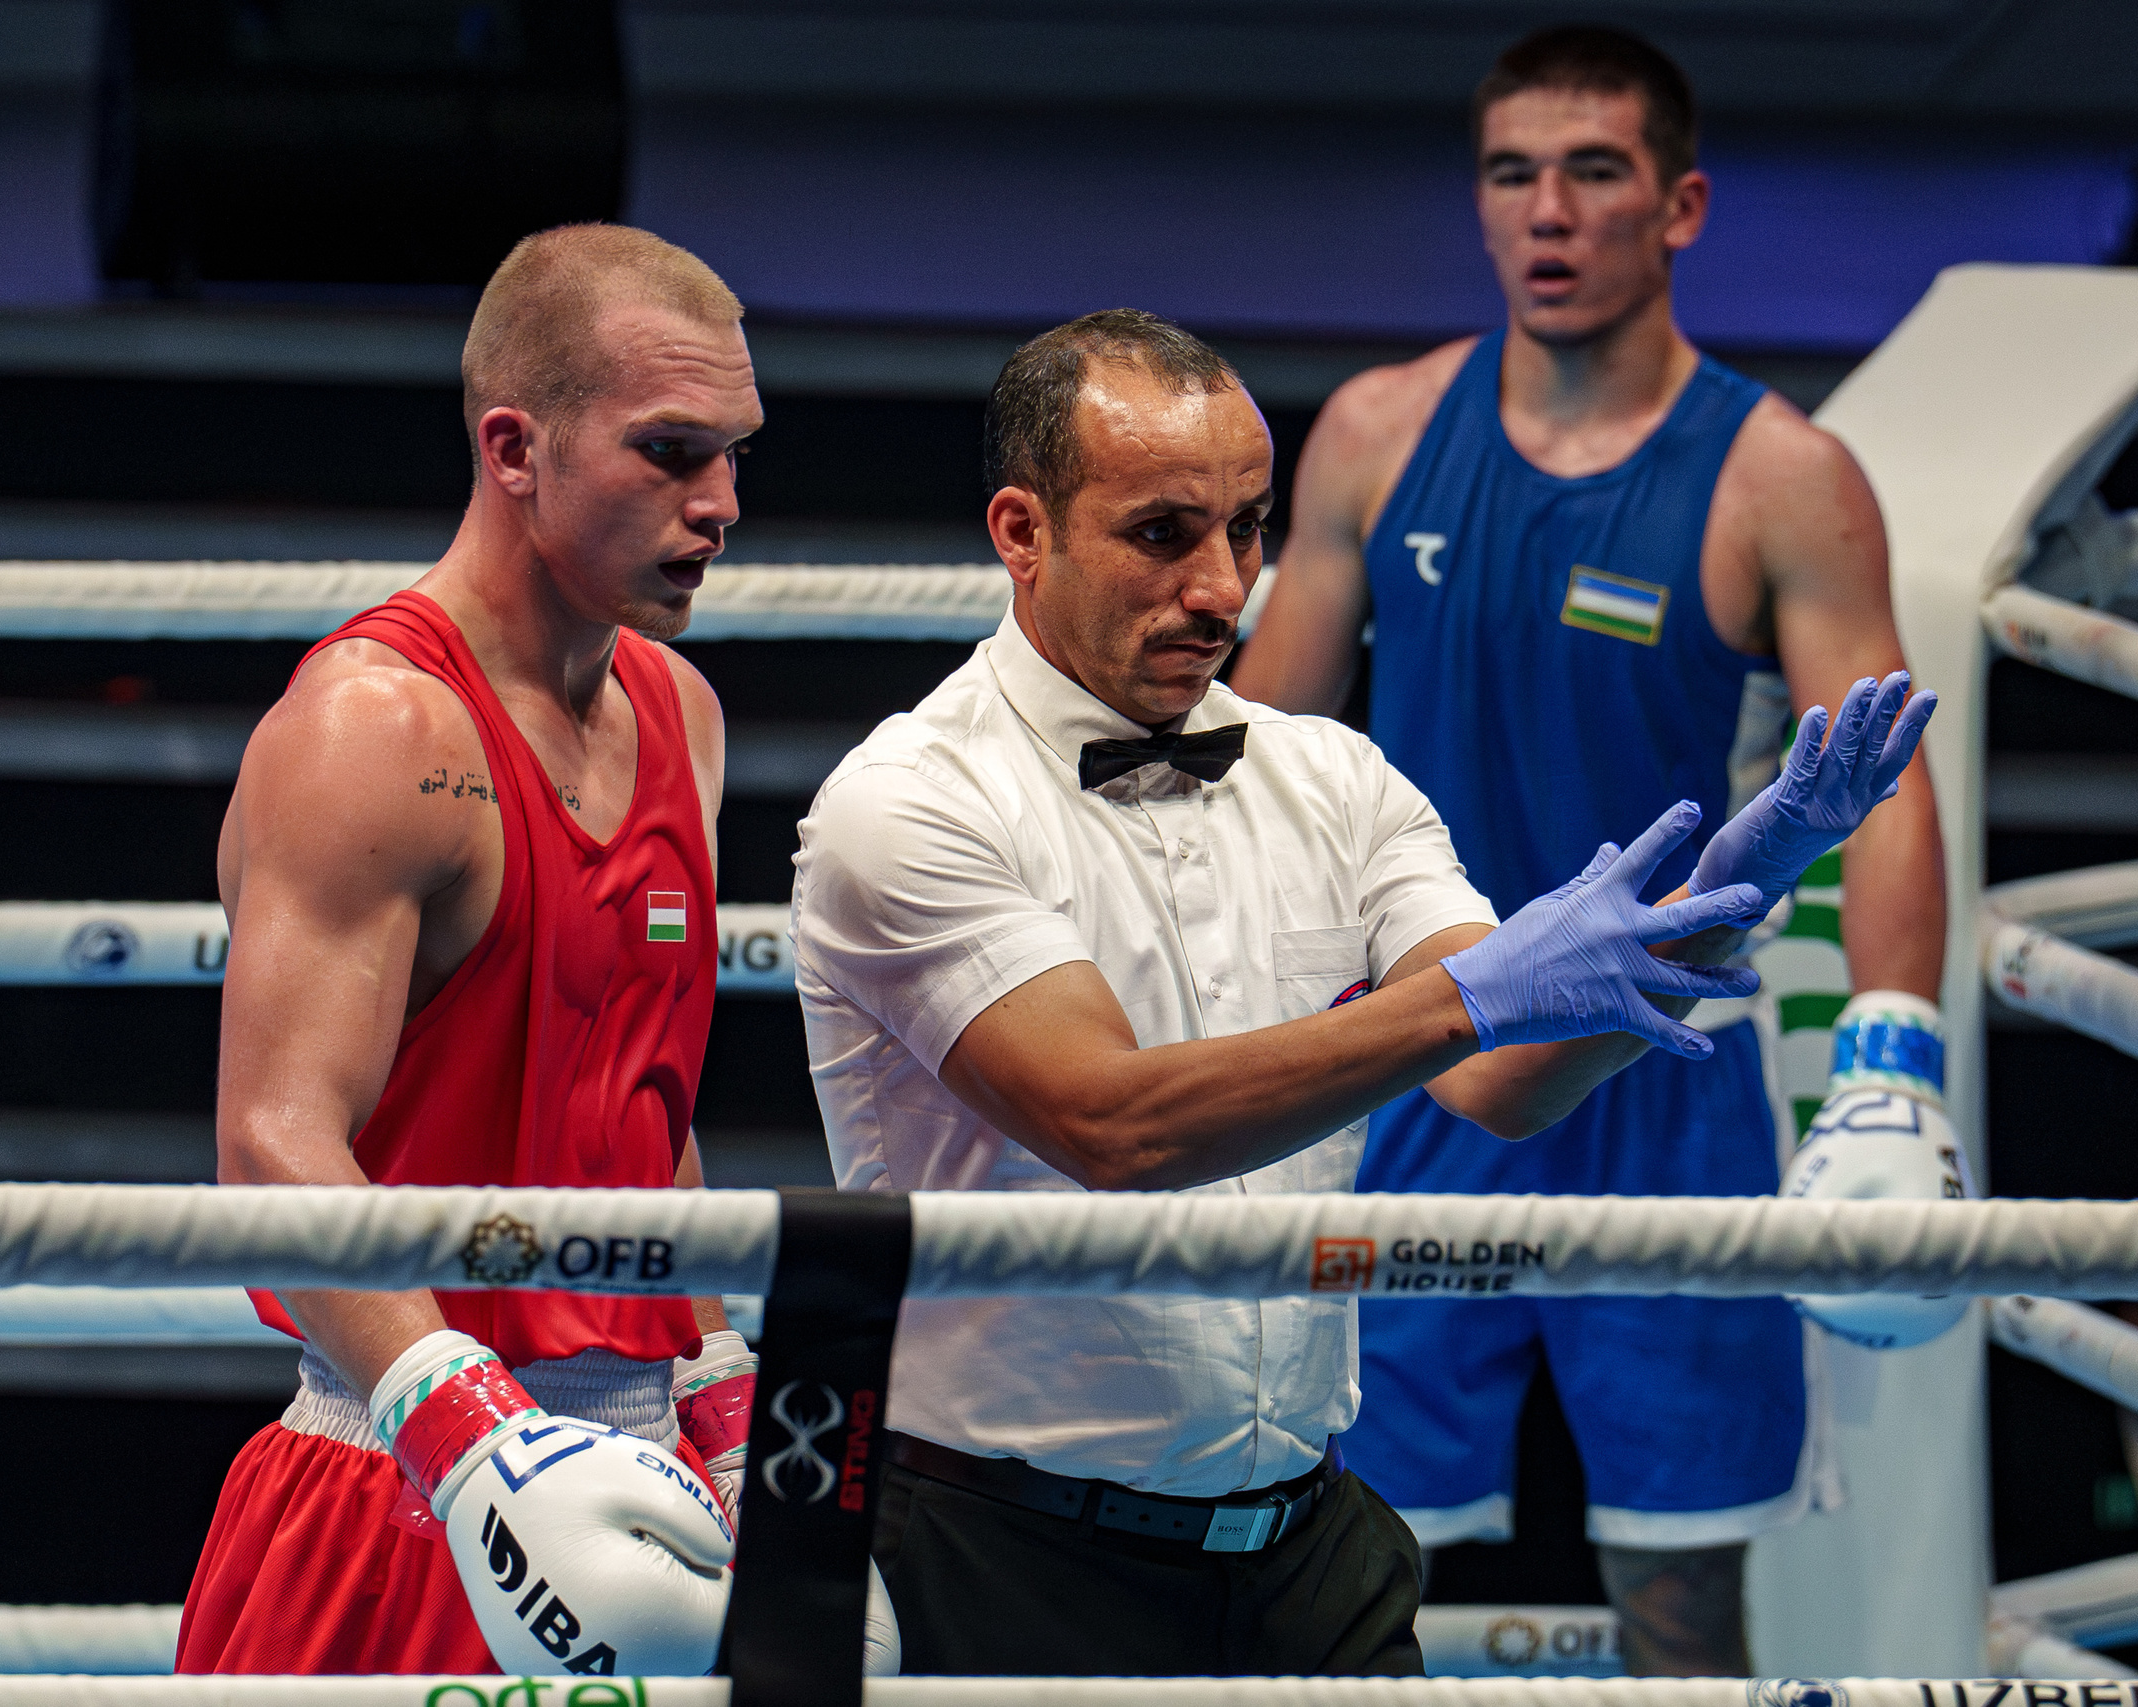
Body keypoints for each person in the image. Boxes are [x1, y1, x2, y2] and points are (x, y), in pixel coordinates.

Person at [789, 308, 1929, 1677]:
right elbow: (1115, 1127)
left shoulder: (1334, 781)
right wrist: (1485, 994)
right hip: (1003, 1549)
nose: (1221, 587)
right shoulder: (909, 804)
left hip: (1303, 1551)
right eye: (1162, 534)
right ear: (1022, 533)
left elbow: (1503, 1083)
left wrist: (1733, 888)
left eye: (1250, 530)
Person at [1229, 24, 1951, 1677]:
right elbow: (1261, 766)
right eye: (1511, 174)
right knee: (1352, 1573)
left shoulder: (1785, 478)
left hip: (1667, 1091)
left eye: (1594, 172)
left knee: (1685, 1599)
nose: (1548, 211)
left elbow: (1886, 776)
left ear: (1680, 204)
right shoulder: (1375, 437)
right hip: (1417, 1058)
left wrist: (1894, 1062)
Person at [179, 223, 776, 1677]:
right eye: (670, 453)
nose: (721, 505)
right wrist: (467, 1436)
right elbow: (272, 1139)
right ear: (516, 449)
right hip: (394, 1466)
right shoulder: (378, 730)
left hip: (640, 1475)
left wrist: (718, 1385)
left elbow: (638, 1106)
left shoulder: (681, 717)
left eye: (736, 453)